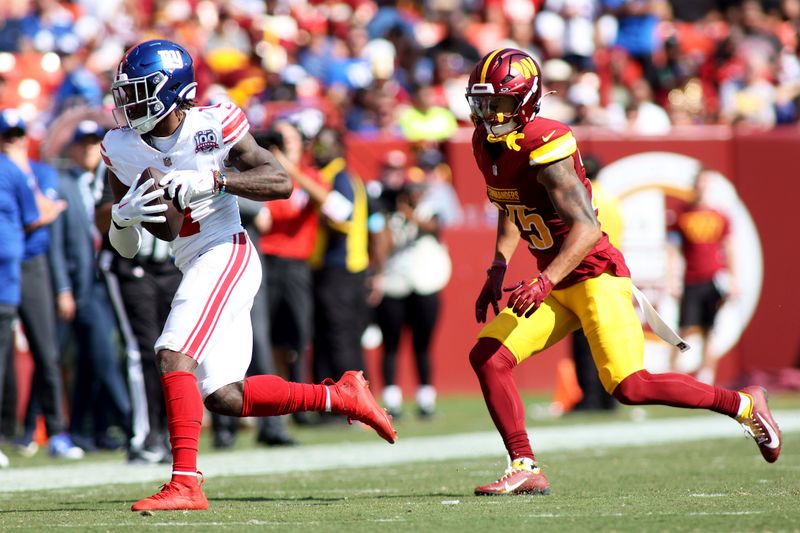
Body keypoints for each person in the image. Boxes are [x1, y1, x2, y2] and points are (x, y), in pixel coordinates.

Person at [464, 48, 781, 496]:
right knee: (488, 357)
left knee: (630, 386)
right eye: (482, 103)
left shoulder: (545, 142)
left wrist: (543, 280)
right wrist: (498, 265)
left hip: (593, 277)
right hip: (554, 282)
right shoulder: (486, 143)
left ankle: (744, 403)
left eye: (498, 103)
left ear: (527, 101)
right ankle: (524, 464)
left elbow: (589, 230)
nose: (489, 114)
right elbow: (510, 204)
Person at [103, 40, 395, 511]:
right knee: (224, 396)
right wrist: (122, 217)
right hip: (190, 258)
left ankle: (185, 483)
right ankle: (340, 396)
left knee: (172, 353)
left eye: (140, 91)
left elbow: (279, 181)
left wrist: (215, 180)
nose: (128, 102)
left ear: (173, 91)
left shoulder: (213, 123)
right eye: (126, 92)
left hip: (226, 251)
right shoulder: (119, 147)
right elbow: (128, 247)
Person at [0, 110, 80, 459]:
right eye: (9, 135)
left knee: (46, 351)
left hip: (33, 264)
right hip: (10, 263)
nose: (15, 140)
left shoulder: (42, 172)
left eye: (19, 134)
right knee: (3, 356)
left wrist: (40, 210)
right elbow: (40, 212)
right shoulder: (10, 171)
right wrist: (42, 210)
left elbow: (41, 211)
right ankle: (7, 432)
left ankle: (57, 431)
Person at [50, 120, 133, 452]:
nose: (88, 148)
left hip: (111, 276)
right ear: (72, 147)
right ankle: (131, 423)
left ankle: (88, 432)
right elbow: (56, 245)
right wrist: (62, 289)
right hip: (81, 284)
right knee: (103, 354)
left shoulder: (111, 177)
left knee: (88, 361)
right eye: (82, 142)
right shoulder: (62, 184)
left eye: (93, 142)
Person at [668, 168, 738, 385]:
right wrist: (672, 278)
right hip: (691, 279)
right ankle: (672, 374)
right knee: (685, 328)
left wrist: (734, 278)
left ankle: (707, 376)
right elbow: (673, 249)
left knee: (710, 329)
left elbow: (729, 248)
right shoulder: (683, 215)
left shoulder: (720, 216)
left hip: (713, 278)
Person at [569, 154, 621, 412]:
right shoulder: (611, 201)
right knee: (605, 340)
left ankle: (590, 396)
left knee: (584, 341)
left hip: (585, 272)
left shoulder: (582, 198)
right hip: (610, 273)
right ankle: (609, 396)